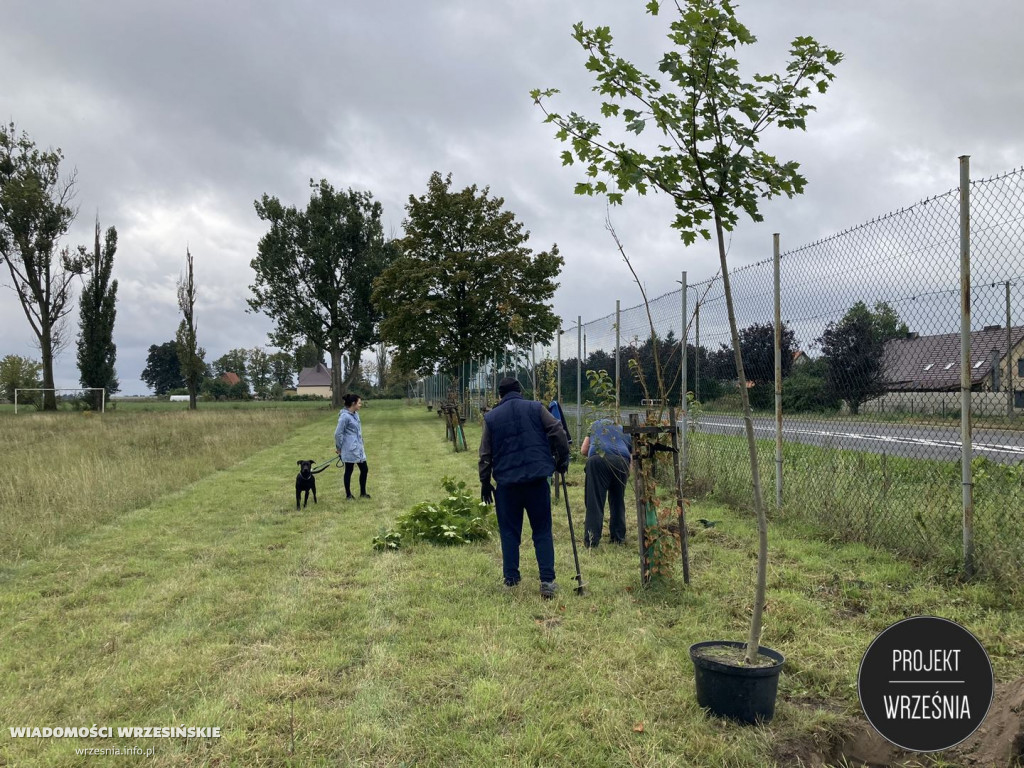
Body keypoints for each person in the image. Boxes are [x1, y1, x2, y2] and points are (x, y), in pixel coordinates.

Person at [479, 377, 570, 598]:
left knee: (509, 532)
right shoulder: (536, 408)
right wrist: (562, 460)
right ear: (520, 391)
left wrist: (485, 482)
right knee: (542, 530)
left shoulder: (491, 418)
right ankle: (547, 581)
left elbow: (485, 454)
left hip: (507, 485)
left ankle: (511, 579)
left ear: (500, 395)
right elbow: (557, 430)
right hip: (537, 481)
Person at [580, 418, 632, 548]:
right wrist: (626, 473)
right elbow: (630, 456)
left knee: (595, 501)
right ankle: (618, 538)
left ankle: (592, 540)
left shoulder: (595, 425)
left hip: (598, 460)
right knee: (618, 500)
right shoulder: (624, 431)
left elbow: (584, 450)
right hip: (621, 462)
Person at [335, 393, 370, 499]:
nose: (360, 405)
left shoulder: (355, 414)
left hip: (358, 448)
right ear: (353, 403)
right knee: (349, 471)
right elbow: (338, 433)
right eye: (359, 403)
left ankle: (363, 493)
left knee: (364, 469)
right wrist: (339, 448)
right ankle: (348, 495)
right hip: (349, 448)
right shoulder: (344, 417)